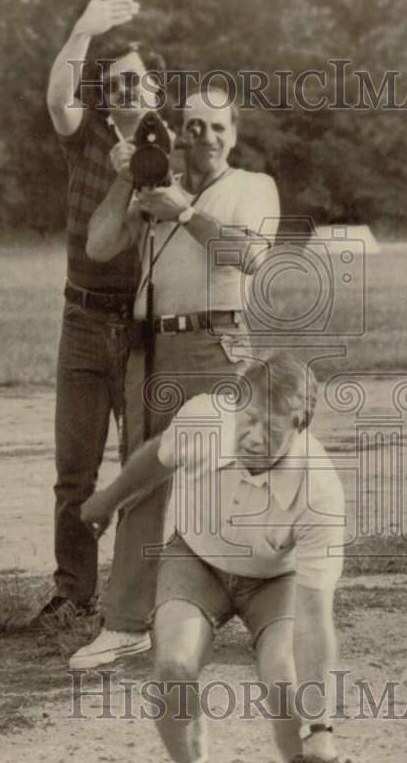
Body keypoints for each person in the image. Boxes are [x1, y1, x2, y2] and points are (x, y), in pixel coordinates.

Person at [81, 351, 348, 763]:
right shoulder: (207, 419)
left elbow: (315, 618)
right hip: (197, 557)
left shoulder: (320, 490)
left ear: (301, 424)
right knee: (173, 665)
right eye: (247, 419)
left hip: (275, 578)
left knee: (282, 676)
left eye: (269, 428)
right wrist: (109, 499)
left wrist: (321, 730)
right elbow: (157, 458)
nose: (251, 435)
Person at [68, 84, 280, 666]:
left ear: (234, 132)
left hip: (218, 342)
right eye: (194, 126)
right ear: (178, 134)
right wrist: (128, 178)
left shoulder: (251, 187)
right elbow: (99, 243)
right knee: (144, 478)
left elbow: (251, 256)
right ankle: (127, 621)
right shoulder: (154, 185)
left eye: (217, 126)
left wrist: (183, 214)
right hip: (152, 349)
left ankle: (264, 603)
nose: (205, 137)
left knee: (232, 476)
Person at [38, 0, 166, 620]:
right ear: (104, 95)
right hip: (83, 317)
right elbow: (57, 94)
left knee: (139, 467)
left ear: (154, 93)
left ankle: (136, 596)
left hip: (145, 327)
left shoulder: (171, 152)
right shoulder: (86, 136)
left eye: (136, 82)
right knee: (75, 472)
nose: (126, 92)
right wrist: (83, 29)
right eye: (114, 84)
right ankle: (73, 592)